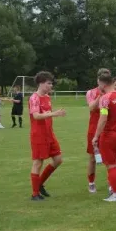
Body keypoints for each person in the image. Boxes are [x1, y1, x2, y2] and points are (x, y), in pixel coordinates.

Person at [92, 74, 116, 202]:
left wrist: (96, 136)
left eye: (99, 84)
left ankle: (115, 194)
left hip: (109, 135)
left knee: (111, 165)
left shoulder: (105, 98)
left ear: (103, 84)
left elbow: (103, 118)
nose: (99, 87)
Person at [28, 71, 66, 201]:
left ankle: (39, 184)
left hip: (50, 134)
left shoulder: (47, 97)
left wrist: (52, 114)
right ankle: (34, 194)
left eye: (51, 83)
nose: (51, 86)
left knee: (58, 160)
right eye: (49, 83)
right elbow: (36, 116)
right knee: (38, 162)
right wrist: (54, 114)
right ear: (41, 83)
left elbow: (46, 114)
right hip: (38, 135)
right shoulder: (34, 98)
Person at [85, 68, 111, 193]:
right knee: (92, 158)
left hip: (108, 129)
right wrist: (100, 96)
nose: (104, 84)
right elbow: (91, 108)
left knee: (110, 158)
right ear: (98, 80)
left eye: (106, 81)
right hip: (94, 128)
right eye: (102, 81)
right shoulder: (91, 92)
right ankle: (91, 182)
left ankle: (111, 183)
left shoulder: (112, 92)